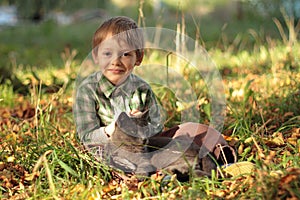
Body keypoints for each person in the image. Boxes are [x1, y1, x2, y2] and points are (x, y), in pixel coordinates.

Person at [73, 16, 236, 178]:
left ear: (139, 58)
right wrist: (112, 129)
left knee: (194, 130)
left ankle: (221, 159)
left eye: (125, 54)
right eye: (107, 53)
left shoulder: (141, 89)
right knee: (125, 150)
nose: (116, 61)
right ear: (96, 56)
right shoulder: (88, 90)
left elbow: (157, 126)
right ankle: (172, 170)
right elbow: (87, 137)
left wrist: (141, 125)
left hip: (145, 145)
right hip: (109, 150)